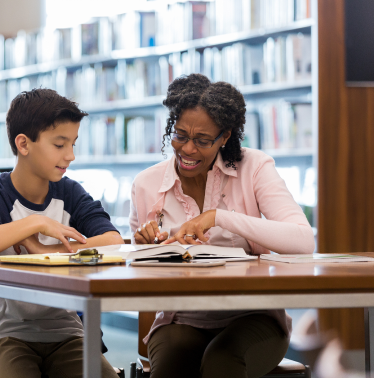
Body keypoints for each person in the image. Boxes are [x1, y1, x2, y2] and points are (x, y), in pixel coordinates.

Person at [130, 73, 315, 378]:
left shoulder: (253, 167)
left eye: (202, 141)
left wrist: (218, 217)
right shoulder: (147, 184)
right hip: (181, 318)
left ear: (225, 137)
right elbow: (138, 269)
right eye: (179, 135)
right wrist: (146, 249)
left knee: (221, 362)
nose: (187, 149)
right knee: (170, 367)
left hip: (255, 317)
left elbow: (303, 239)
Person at [0, 88, 123, 378]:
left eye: (73, 144)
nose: (70, 155)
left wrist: (49, 252)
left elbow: (112, 241)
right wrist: (33, 224)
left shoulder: (70, 192)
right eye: (60, 145)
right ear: (23, 144)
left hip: (66, 334)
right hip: (3, 336)